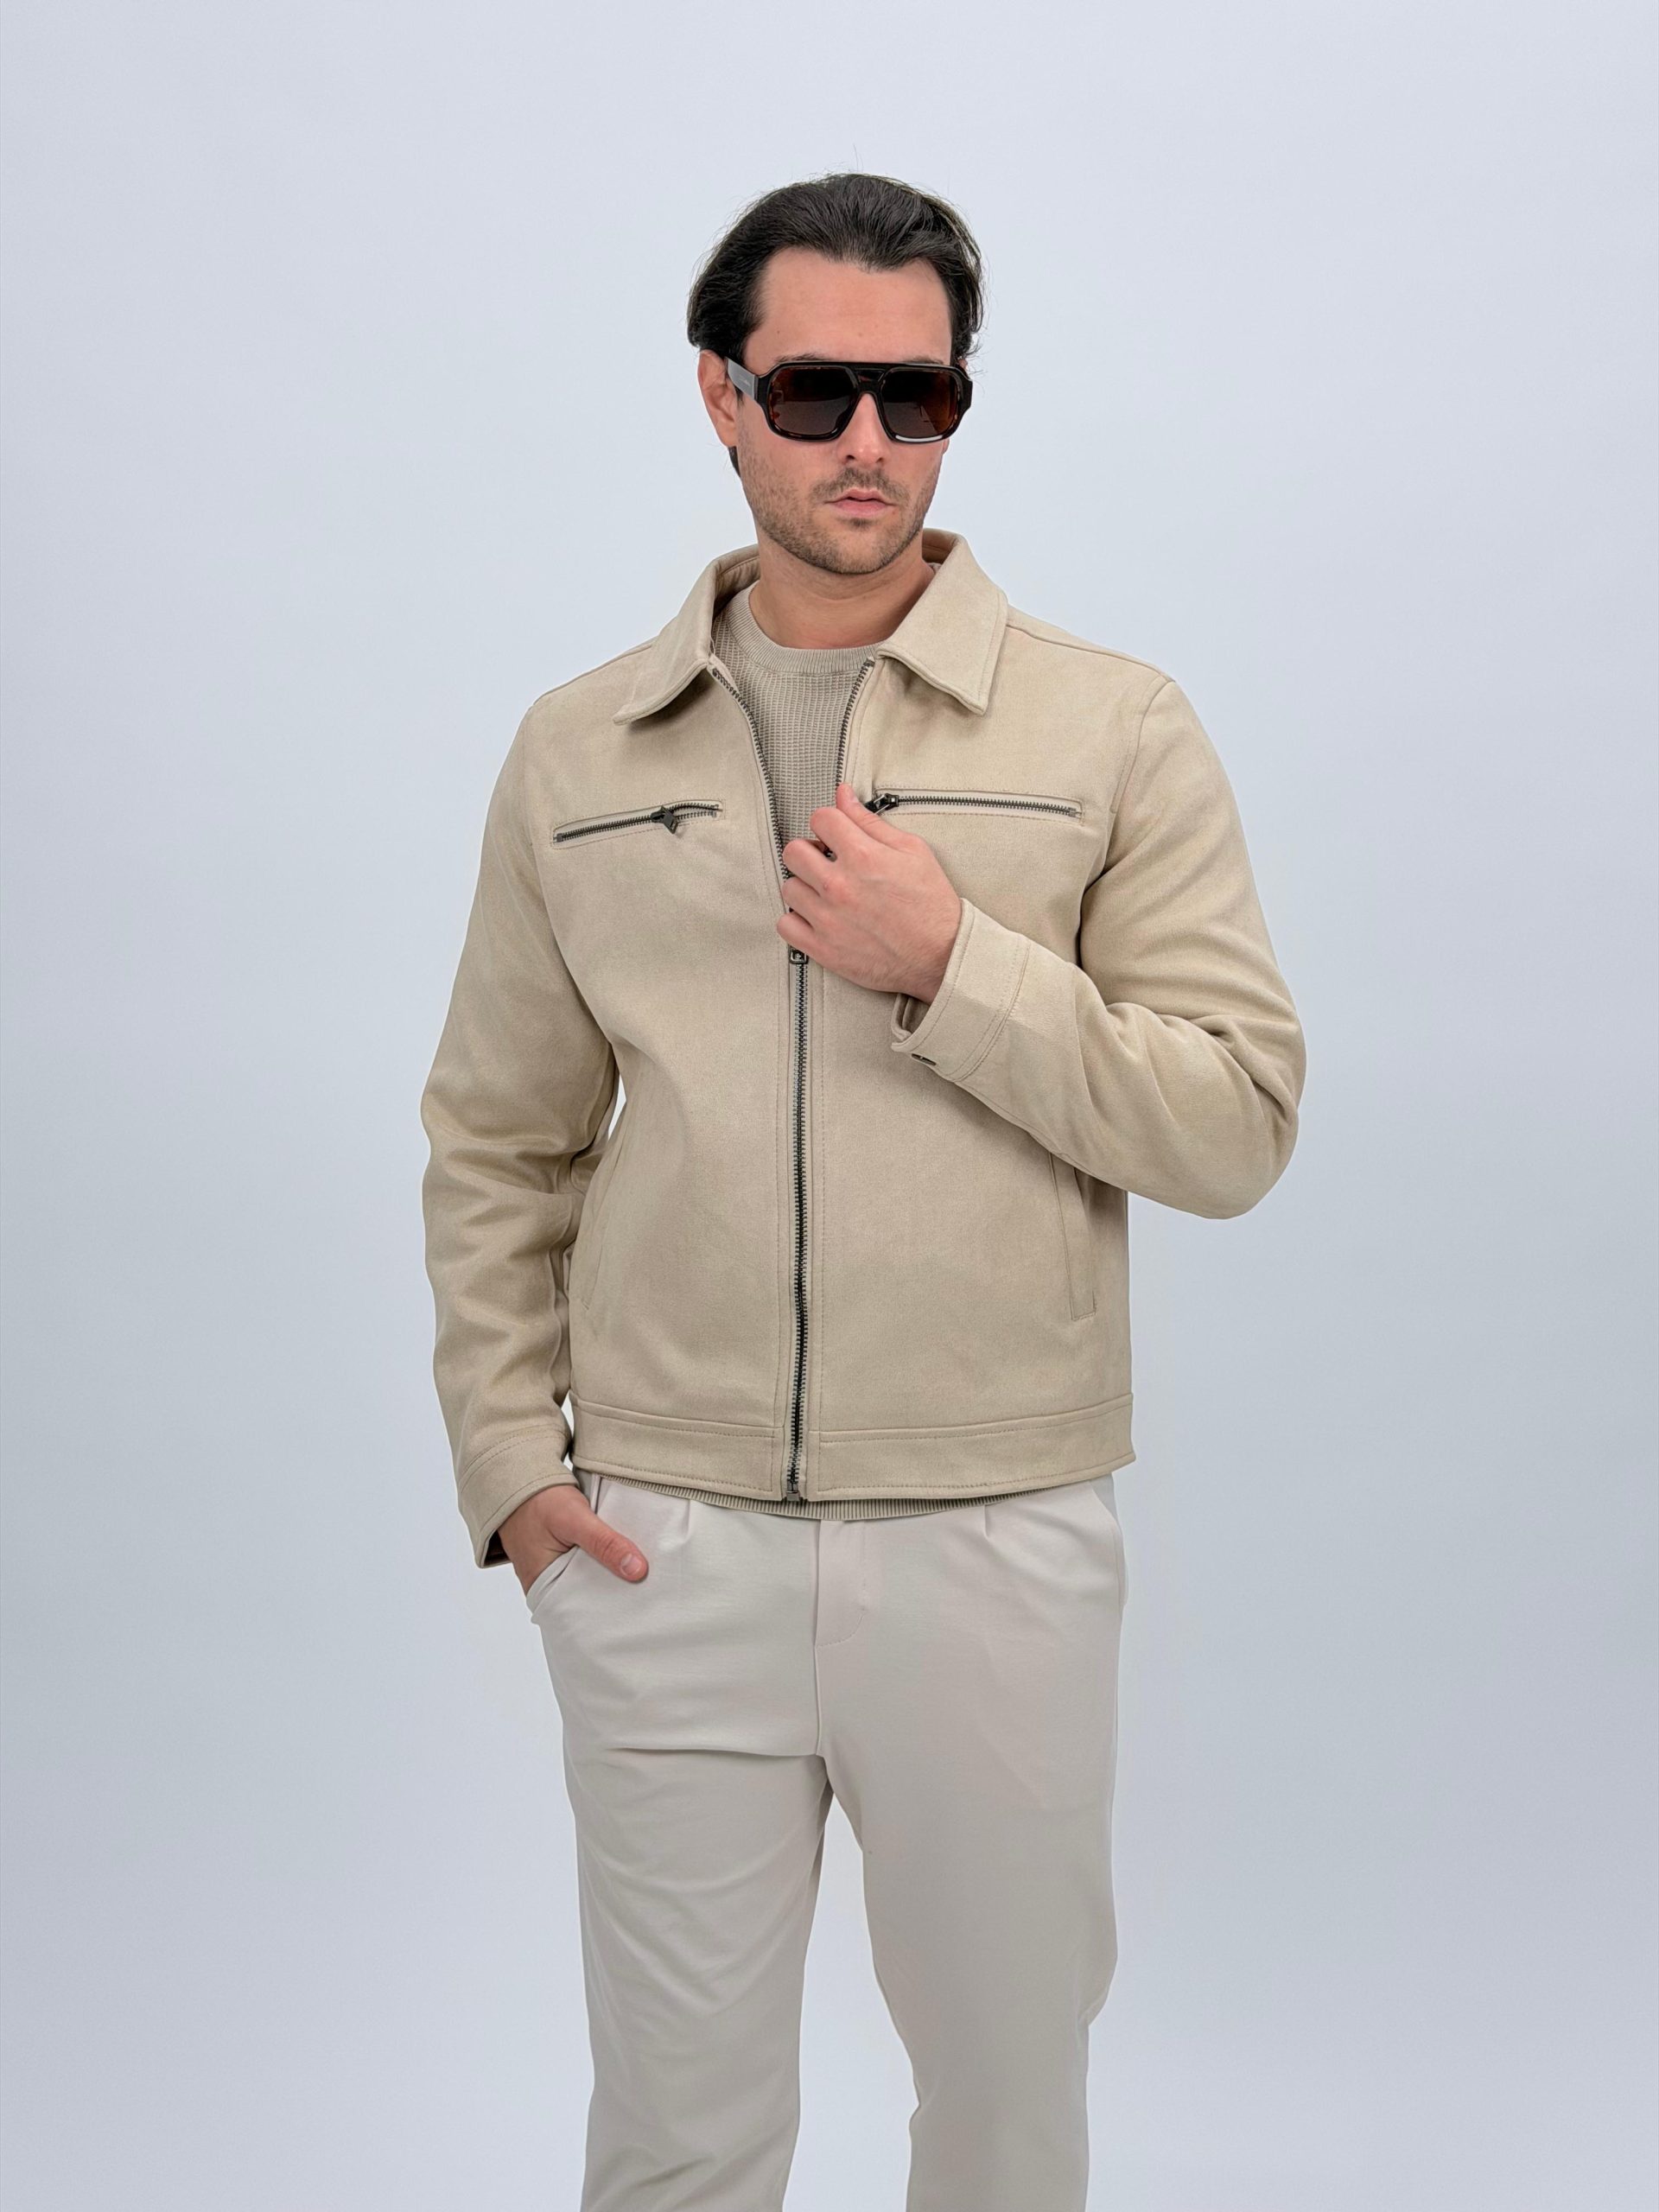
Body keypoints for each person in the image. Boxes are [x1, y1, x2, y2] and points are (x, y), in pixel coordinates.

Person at [419, 170, 1306, 2212]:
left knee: (1005, 2129)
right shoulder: (579, 748)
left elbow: (1239, 1115)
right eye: (817, 391)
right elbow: (498, 1137)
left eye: (923, 396)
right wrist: (513, 1467)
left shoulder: (1111, 725)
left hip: (994, 1535)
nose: (871, 443)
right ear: (722, 395)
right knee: (679, 2143)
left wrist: (955, 964)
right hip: (661, 1543)